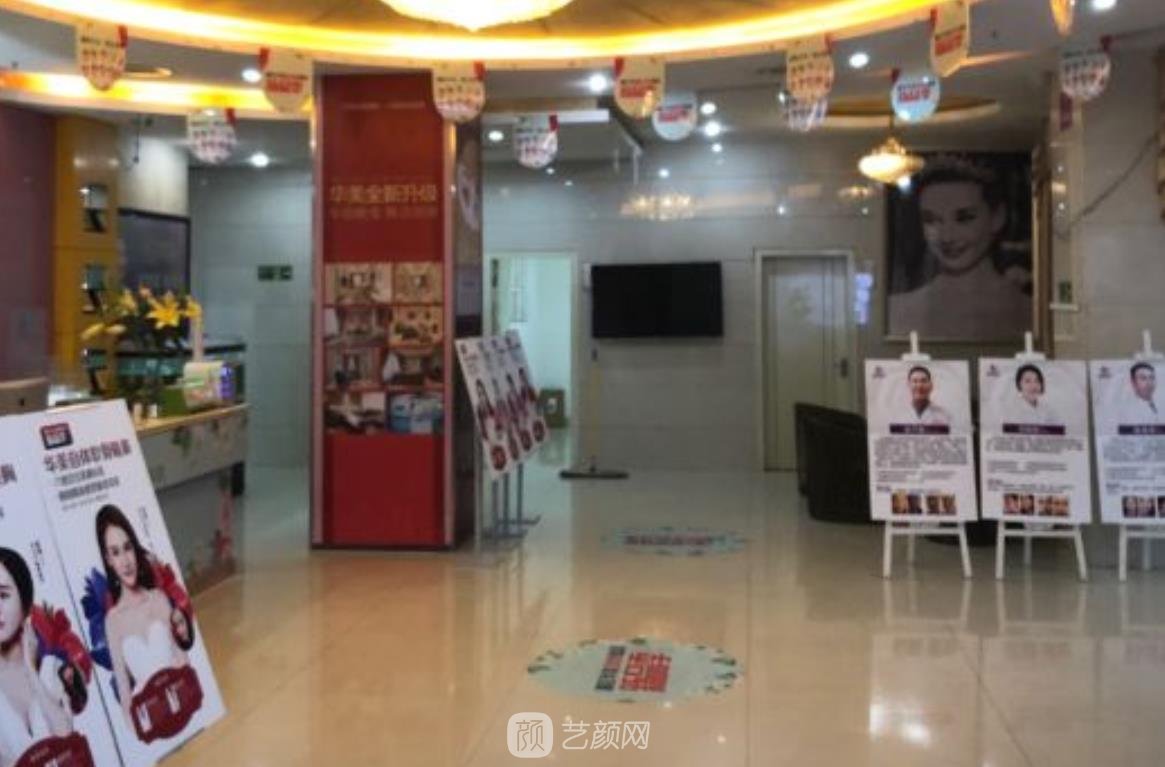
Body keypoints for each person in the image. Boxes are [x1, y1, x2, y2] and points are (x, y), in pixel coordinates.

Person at [888, 158, 1031, 340]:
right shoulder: (896, 309)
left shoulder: (1030, 311)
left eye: (964, 218)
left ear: (997, 217)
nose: (947, 237)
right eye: (931, 220)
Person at [96, 506, 191, 731]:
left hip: (183, 709)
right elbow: (124, 693)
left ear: (135, 549)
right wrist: (140, 735)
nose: (126, 561)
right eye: (115, 552)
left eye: (128, 548)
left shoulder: (158, 598)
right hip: (149, 722)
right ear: (108, 560)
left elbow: (183, 659)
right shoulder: (112, 621)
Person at [0, 549, 76, 767]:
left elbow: (66, 736)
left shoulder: (50, 668)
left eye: (3, 596)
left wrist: (32, 671)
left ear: (24, 601)